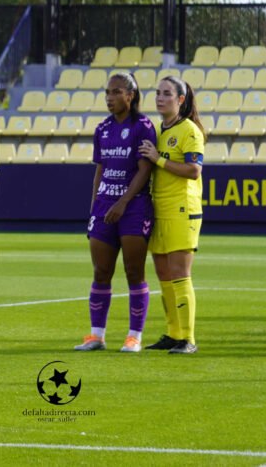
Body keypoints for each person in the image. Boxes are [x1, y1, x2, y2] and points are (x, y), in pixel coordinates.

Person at [75, 72, 157, 353]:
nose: (110, 98)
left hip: (133, 207)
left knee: (134, 271)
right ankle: (97, 335)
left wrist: (122, 202)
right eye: (107, 93)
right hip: (104, 207)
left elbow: (145, 169)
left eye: (115, 92)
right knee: (101, 271)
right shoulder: (102, 129)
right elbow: (100, 169)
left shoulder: (143, 126)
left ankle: (134, 336)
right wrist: (94, 207)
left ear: (130, 95)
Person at [138, 76, 204, 354]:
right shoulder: (157, 130)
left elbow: (194, 170)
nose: (160, 98)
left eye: (167, 94)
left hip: (182, 209)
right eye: (157, 93)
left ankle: (188, 338)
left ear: (180, 100)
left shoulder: (189, 130)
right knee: (163, 272)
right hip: (159, 208)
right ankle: (172, 332)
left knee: (179, 272)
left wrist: (159, 159)